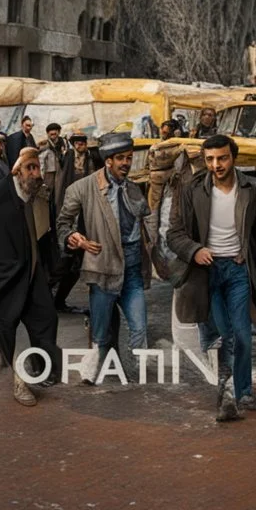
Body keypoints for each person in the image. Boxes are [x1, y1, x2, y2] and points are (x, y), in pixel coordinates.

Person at [168, 134, 256, 421]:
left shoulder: (253, 188)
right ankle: (228, 395)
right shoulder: (192, 189)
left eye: (222, 158)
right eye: (209, 159)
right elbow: (174, 234)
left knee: (242, 335)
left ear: (233, 157)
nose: (216, 165)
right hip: (206, 273)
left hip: (238, 270)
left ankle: (242, 394)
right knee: (226, 335)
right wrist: (195, 250)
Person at [0, 147, 62, 406]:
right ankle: (18, 381)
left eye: (38, 168)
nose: (36, 174)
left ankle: (40, 368)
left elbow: (46, 235)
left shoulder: (38, 196)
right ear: (17, 170)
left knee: (46, 319)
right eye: (30, 168)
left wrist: (52, 269)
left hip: (33, 275)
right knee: (8, 328)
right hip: (5, 277)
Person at [56, 132, 156, 379]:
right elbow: (63, 223)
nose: (126, 163)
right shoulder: (82, 188)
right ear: (108, 160)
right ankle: (92, 368)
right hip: (102, 269)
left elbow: (148, 223)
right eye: (120, 158)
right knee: (101, 334)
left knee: (140, 328)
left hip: (132, 270)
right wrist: (73, 238)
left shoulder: (134, 189)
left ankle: (135, 374)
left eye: (129, 158)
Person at [48, 133, 105, 314]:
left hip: (86, 213)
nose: (80, 145)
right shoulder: (68, 157)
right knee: (64, 262)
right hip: (70, 212)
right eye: (77, 142)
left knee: (73, 266)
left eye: (83, 142)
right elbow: (59, 181)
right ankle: (46, 300)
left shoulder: (92, 158)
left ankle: (57, 301)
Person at [39, 123, 66, 193]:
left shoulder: (64, 142)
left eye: (55, 134)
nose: (53, 136)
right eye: (51, 134)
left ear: (59, 132)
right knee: (49, 191)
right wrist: (41, 176)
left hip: (61, 170)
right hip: (49, 172)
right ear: (48, 134)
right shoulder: (45, 145)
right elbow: (41, 161)